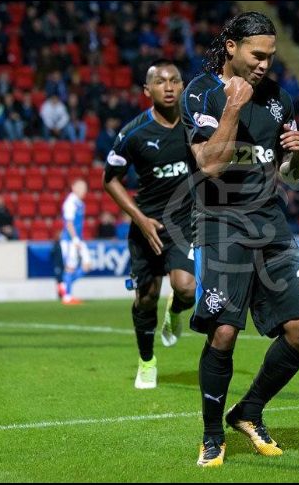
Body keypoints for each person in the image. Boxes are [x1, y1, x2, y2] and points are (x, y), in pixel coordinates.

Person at [182, 12, 299, 467]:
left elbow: (290, 176)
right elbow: (208, 164)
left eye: (270, 56)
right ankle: (210, 436)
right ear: (231, 47)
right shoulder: (199, 93)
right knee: (223, 331)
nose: (264, 64)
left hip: (269, 222)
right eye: (256, 54)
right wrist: (232, 107)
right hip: (219, 223)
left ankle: (248, 411)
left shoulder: (280, 100)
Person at [103, 59, 196, 390]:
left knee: (186, 289)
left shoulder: (197, 127)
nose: (169, 87)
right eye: (161, 82)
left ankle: (176, 310)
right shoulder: (133, 132)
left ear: (183, 86)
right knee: (145, 298)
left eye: (175, 80)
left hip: (183, 223)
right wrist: (139, 219)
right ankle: (146, 362)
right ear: (147, 90)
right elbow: (110, 179)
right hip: (147, 226)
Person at [58, 179, 91, 305]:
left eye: (85, 188)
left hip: (78, 238)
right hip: (69, 240)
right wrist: (75, 239)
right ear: (74, 188)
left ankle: (64, 285)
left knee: (87, 265)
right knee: (70, 267)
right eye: (81, 188)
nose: (84, 191)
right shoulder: (70, 203)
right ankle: (67, 297)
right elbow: (69, 223)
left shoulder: (80, 203)